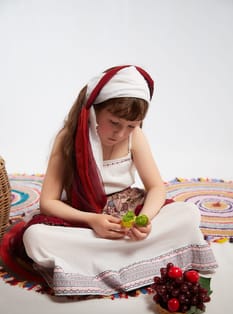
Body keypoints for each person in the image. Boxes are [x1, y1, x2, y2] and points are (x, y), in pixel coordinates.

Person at [22, 65, 217, 296]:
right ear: (94, 111)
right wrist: (94, 220)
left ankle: (102, 259)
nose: (121, 133)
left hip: (127, 215)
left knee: (188, 213)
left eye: (131, 126)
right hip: (86, 218)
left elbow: (155, 187)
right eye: (114, 123)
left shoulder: (136, 137)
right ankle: (127, 255)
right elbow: (48, 202)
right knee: (35, 238)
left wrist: (144, 220)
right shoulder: (68, 138)